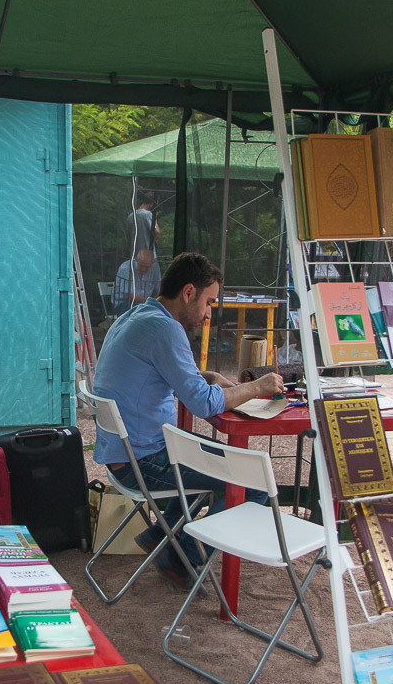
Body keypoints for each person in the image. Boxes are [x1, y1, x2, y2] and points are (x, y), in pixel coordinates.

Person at [92, 252, 284, 588]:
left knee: (209, 456)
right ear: (188, 292)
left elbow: (167, 375)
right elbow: (204, 405)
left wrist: (205, 377)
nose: (208, 314)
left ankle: (160, 534)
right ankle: (184, 558)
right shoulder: (166, 329)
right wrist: (257, 387)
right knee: (253, 482)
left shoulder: (136, 316)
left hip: (126, 455)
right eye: (209, 302)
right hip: (143, 463)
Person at [112, 247, 161, 313]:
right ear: (136, 259)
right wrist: (152, 300)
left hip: (145, 304)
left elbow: (157, 290)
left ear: (152, 263)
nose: (143, 269)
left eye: (147, 267)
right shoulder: (126, 268)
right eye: (141, 265)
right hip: (124, 304)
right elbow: (132, 297)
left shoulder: (155, 268)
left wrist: (153, 301)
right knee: (144, 311)